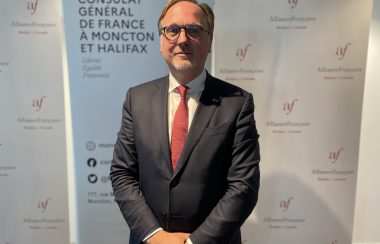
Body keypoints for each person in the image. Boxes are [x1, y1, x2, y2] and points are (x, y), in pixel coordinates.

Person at [110, 0, 260, 243]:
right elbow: (122, 173)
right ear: (161, 40)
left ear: (209, 41)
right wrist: (154, 235)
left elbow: (243, 187)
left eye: (193, 30)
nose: (182, 39)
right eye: (172, 30)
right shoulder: (136, 99)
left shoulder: (237, 103)